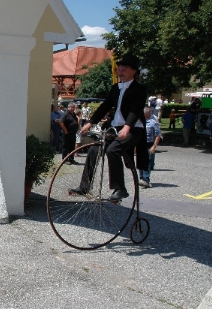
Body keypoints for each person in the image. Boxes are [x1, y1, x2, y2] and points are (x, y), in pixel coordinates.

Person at [69, 53, 149, 202]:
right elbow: (105, 106)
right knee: (94, 149)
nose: (120, 70)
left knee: (113, 150)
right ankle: (85, 186)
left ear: (134, 71)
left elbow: (136, 109)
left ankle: (120, 188)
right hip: (115, 128)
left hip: (133, 129)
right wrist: (90, 122)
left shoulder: (139, 89)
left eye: (125, 68)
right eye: (119, 68)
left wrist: (127, 127)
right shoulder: (115, 88)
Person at [139, 107, 161, 188]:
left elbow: (158, 135)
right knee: (140, 161)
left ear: (146, 114)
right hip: (141, 144)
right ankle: (141, 179)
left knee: (147, 162)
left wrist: (154, 146)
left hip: (149, 144)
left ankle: (146, 180)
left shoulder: (153, 122)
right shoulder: (139, 122)